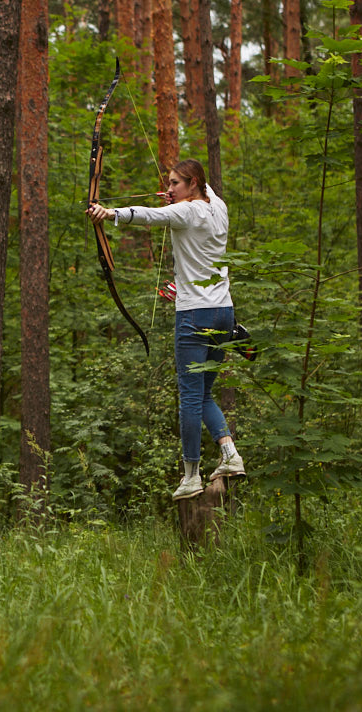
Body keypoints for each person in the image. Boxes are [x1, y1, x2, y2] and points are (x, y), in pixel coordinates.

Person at [86, 158, 246, 500]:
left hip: (195, 316)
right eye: (169, 184)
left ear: (193, 184)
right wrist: (179, 196)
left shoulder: (186, 213)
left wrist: (109, 213)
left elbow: (148, 215)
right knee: (202, 393)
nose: (169, 189)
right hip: (224, 314)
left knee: (189, 396)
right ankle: (230, 455)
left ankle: (191, 475)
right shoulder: (218, 205)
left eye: (175, 183)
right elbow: (199, 194)